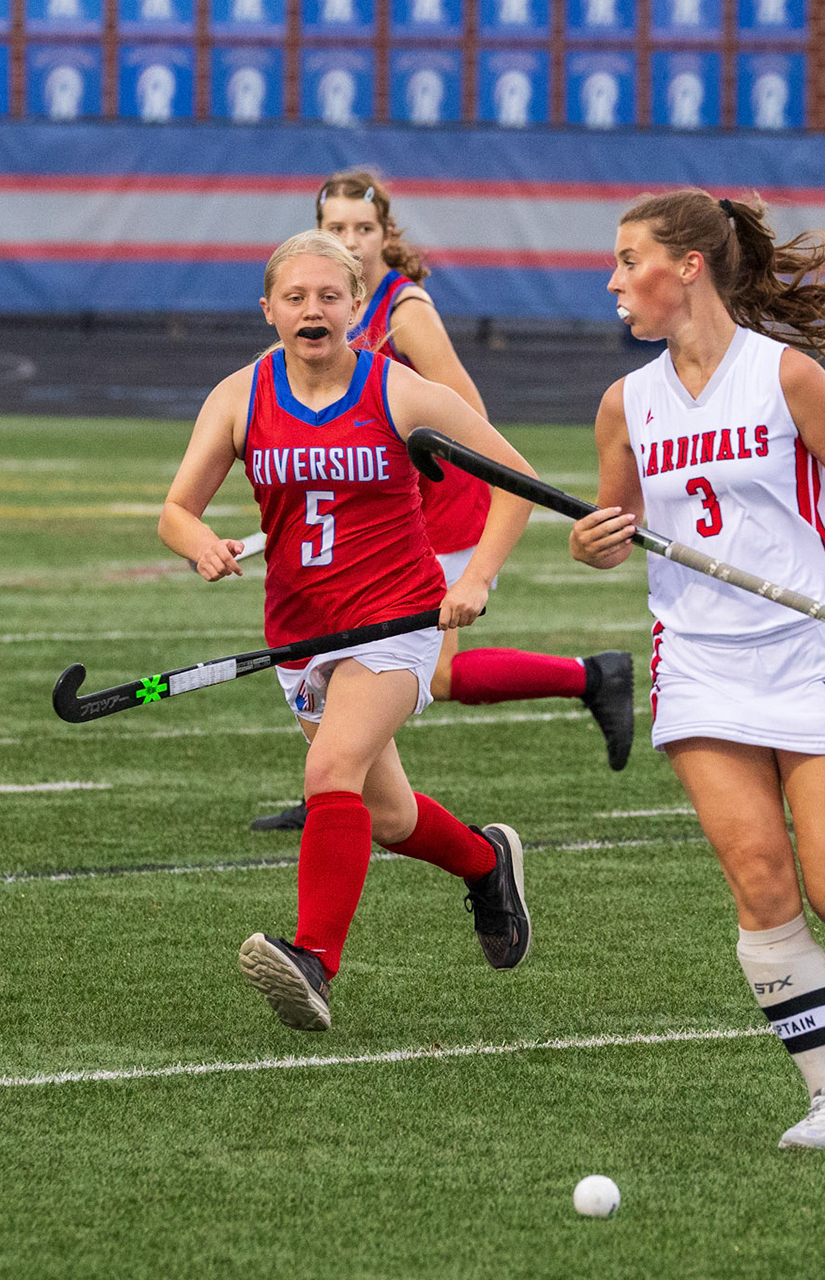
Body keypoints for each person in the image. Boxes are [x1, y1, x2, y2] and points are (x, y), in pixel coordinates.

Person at [569, 190, 825, 1150]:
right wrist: (594, 543)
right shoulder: (626, 402)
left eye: (628, 260)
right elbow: (617, 528)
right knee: (762, 884)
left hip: (812, 651)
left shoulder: (786, 377)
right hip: (698, 664)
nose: (613, 280)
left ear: (687, 265)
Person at [160, 230, 536, 1031]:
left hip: (397, 619)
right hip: (298, 633)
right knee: (389, 817)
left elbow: (518, 480)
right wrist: (200, 544)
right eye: (295, 297)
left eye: (330, 296)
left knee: (330, 768)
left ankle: (313, 960)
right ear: (268, 309)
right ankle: (486, 862)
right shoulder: (240, 397)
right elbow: (176, 511)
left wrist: (474, 578)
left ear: (357, 308)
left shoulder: (399, 391)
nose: (313, 310)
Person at [250, 170, 634, 833]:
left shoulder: (403, 309)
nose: (352, 240)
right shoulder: (322, 301)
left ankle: (592, 677)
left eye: (364, 229)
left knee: (434, 672)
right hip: (379, 503)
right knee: (371, 648)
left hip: (434, 506)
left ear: (385, 233)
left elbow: (468, 412)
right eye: (337, 228)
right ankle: (337, 786)